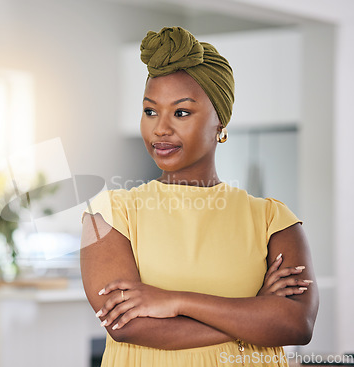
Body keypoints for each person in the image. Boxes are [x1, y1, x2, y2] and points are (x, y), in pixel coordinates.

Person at [80, 26, 319, 367]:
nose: (160, 128)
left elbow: (296, 324)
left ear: (220, 121)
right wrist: (254, 314)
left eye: (181, 112)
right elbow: (125, 324)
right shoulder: (106, 214)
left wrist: (174, 301)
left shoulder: (272, 219)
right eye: (150, 111)